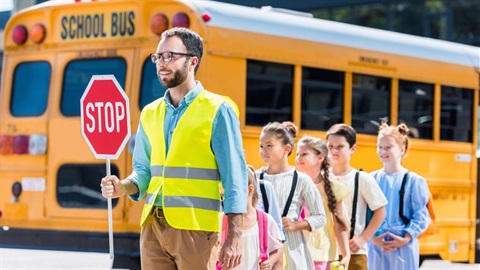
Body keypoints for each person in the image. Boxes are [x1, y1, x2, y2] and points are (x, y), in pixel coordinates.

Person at [100, 27, 247, 270]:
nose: (161, 63)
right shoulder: (149, 112)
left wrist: (235, 236)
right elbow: (143, 171)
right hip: (153, 228)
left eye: (169, 56)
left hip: (196, 229)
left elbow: (235, 178)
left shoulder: (218, 110)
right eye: (158, 57)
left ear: (192, 61)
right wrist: (123, 187)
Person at [257, 121, 326, 269]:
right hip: (261, 250)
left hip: (292, 251)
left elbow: (320, 216)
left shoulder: (301, 180)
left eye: (269, 145)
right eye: (261, 146)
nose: (263, 150)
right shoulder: (255, 177)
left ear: (286, 149)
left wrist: (294, 224)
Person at [368, 123, 431, 270]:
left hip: (403, 244)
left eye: (388, 147)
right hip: (376, 243)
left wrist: (406, 237)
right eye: (380, 146)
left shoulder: (414, 180)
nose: (383, 151)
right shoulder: (371, 179)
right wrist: (372, 238)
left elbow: (421, 214)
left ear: (401, 149)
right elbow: (363, 213)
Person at [326, 123, 387, 270]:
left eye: (340, 146)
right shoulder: (321, 178)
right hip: (325, 252)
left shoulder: (361, 178)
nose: (334, 150)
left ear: (352, 149)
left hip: (354, 253)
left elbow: (380, 211)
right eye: (330, 146)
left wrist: (363, 238)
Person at [296, 135, 351, 270]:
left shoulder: (332, 188)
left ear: (320, 157)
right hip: (294, 249)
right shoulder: (292, 183)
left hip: (320, 252)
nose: (298, 158)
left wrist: (346, 254)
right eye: (297, 154)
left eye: (304, 154)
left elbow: (339, 224)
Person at [220, 165, 283, 270]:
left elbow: (278, 248)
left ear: (250, 190)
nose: (228, 199)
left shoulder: (266, 220)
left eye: (233, 193)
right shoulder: (221, 220)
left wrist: (270, 261)